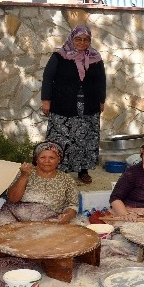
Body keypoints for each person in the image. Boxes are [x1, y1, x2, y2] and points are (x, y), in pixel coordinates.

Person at [0, 141, 79, 269]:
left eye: (52, 157)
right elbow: (13, 199)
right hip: (14, 213)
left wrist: (67, 215)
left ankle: (5, 252)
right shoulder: (25, 172)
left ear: (59, 160)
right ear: (36, 159)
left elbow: (73, 205)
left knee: (50, 242)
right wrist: (24, 176)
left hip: (46, 219)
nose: (47, 161)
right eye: (42, 157)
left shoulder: (67, 180)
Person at [41, 24, 106, 184]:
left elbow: (101, 81)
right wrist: (46, 101)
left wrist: (102, 100)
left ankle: (83, 171)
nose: (82, 42)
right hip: (63, 105)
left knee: (86, 140)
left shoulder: (95, 58)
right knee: (61, 139)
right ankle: (57, 171)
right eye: (78, 39)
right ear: (72, 38)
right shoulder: (59, 56)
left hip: (88, 107)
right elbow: (48, 78)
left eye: (86, 39)